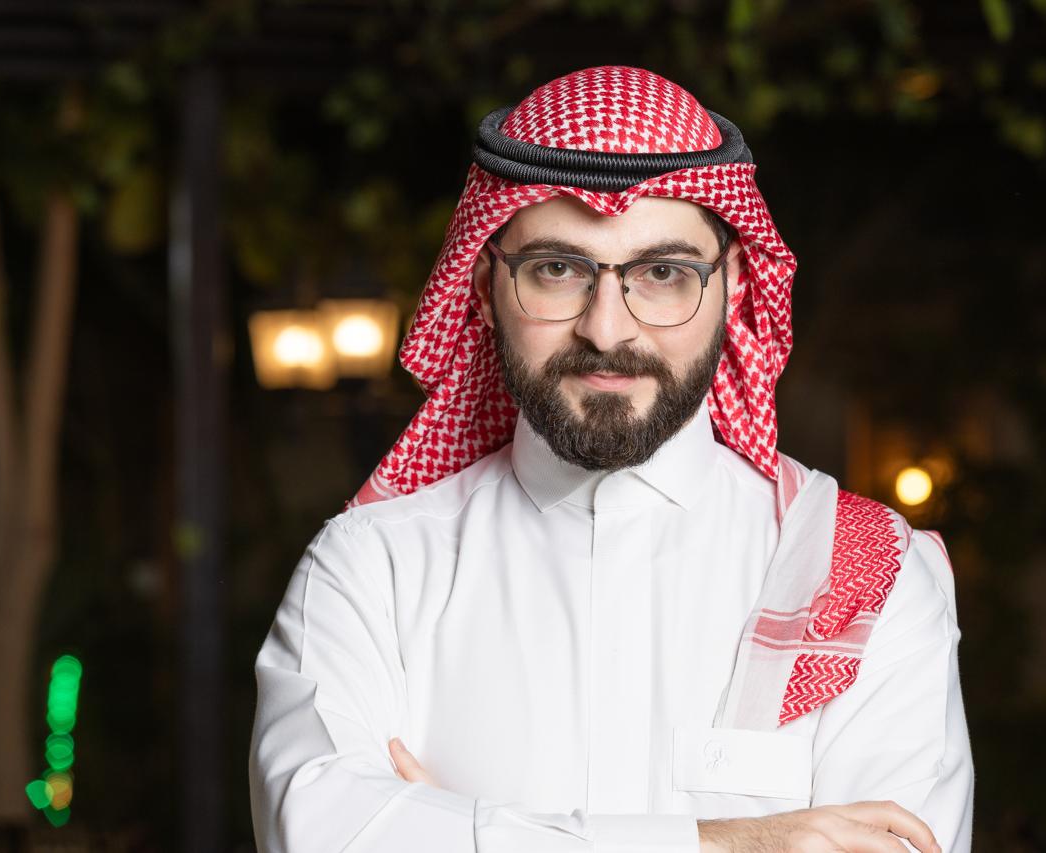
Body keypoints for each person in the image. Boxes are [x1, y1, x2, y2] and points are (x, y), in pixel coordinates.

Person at [248, 65, 974, 853]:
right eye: (557, 269)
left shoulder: (869, 573)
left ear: (732, 285)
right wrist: (728, 841)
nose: (606, 329)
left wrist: (462, 831)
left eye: (662, 274)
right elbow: (320, 832)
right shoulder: (371, 569)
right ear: (487, 287)